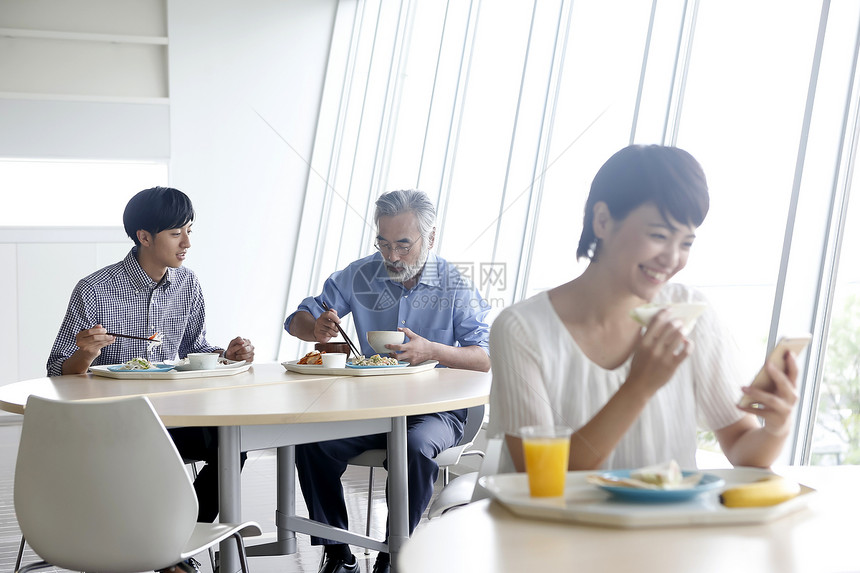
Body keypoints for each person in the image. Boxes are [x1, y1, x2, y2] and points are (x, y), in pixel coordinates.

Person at [488, 144, 798, 474]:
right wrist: (639, 387)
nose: (672, 258)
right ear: (603, 221)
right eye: (659, 235)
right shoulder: (521, 328)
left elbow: (742, 447)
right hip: (554, 526)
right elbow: (540, 475)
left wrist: (777, 427)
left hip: (667, 525)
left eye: (686, 243)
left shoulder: (691, 314)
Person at [47, 187, 255, 572]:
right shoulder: (95, 289)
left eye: (189, 230)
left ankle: (175, 548)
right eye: (177, 233)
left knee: (232, 445)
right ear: (145, 237)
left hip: (173, 418)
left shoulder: (188, 285)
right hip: (113, 425)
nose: (188, 243)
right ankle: (167, 552)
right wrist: (85, 353)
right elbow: (58, 369)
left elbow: (197, 348)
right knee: (155, 457)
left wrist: (226, 355)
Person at [284, 189, 490, 573]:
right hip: (370, 408)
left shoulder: (455, 284)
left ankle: (393, 557)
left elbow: (486, 357)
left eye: (403, 245)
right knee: (310, 441)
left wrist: (434, 351)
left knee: (413, 447)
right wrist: (315, 326)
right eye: (383, 243)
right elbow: (297, 318)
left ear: (430, 239)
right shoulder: (361, 274)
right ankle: (339, 553)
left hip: (436, 413)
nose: (391, 257)